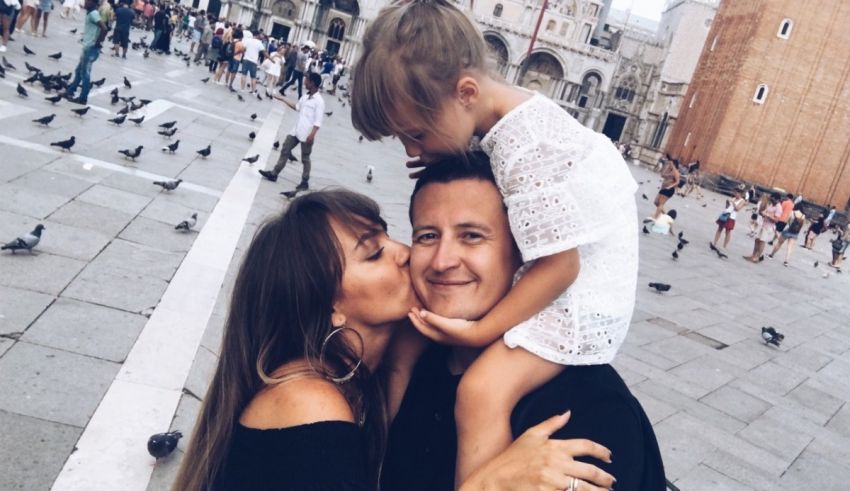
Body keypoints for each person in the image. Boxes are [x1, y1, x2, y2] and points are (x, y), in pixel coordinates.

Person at [350, 0, 640, 483]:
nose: (412, 150)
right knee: (409, 345)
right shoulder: (510, 119)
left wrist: (482, 332)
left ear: (466, 93)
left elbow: (560, 268)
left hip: (580, 300)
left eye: (416, 134)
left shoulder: (525, 145)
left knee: (481, 391)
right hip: (573, 278)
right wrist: (446, 144)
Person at [173, 190, 616, 491]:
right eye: (373, 252)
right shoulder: (307, 401)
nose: (404, 251)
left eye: (389, 235)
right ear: (330, 307)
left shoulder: (365, 374)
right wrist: (492, 481)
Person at [381, 155, 664, 490]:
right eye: (427, 236)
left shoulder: (588, 408)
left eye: (471, 236)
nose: (442, 261)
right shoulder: (411, 359)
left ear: (527, 255)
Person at [260, 72, 325, 192]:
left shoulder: (319, 101)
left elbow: (318, 121)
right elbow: (297, 107)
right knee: (285, 149)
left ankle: (304, 181)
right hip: (296, 130)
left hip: (307, 134)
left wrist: (312, 134)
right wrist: (283, 99)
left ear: (313, 83)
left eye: (307, 80)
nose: (304, 82)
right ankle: (274, 173)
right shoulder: (305, 97)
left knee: (305, 158)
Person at [63, 0, 107, 105]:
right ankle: (70, 91)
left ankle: (83, 98)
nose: (85, 2)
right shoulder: (91, 13)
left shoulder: (93, 14)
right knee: (79, 71)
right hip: (87, 47)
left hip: (91, 48)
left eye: (88, 1)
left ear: (94, 3)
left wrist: (98, 43)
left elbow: (104, 28)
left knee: (85, 74)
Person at [744, 193, 782, 263]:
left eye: (773, 199)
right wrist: (762, 213)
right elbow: (765, 211)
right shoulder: (771, 204)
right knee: (757, 240)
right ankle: (753, 255)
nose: (771, 200)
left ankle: (757, 257)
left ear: (777, 200)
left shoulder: (778, 207)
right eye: (771, 199)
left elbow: (776, 220)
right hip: (763, 224)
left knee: (762, 241)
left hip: (769, 227)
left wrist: (767, 216)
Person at [711, 187, 748, 251]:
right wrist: (727, 203)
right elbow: (727, 207)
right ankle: (714, 242)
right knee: (719, 229)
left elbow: (737, 209)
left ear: (741, 194)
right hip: (726, 214)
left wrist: (733, 202)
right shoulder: (733, 198)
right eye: (735, 192)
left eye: (737, 193)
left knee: (727, 232)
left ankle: (724, 246)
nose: (735, 194)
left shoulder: (742, 201)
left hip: (731, 217)